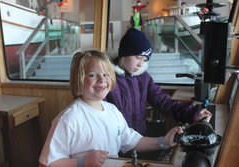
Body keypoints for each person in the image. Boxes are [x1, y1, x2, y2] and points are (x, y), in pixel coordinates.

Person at [39, 50, 183, 167]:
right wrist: (84, 162)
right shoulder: (68, 119)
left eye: (106, 74)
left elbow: (132, 141)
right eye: (93, 75)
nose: (102, 80)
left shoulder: (112, 110)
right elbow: (47, 163)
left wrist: (164, 141)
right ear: (79, 79)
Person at [105, 28, 212, 137]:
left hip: (139, 138)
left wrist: (191, 113)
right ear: (124, 53)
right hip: (115, 141)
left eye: (145, 60)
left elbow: (162, 100)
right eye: (138, 58)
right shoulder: (106, 78)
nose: (140, 64)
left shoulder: (143, 77)